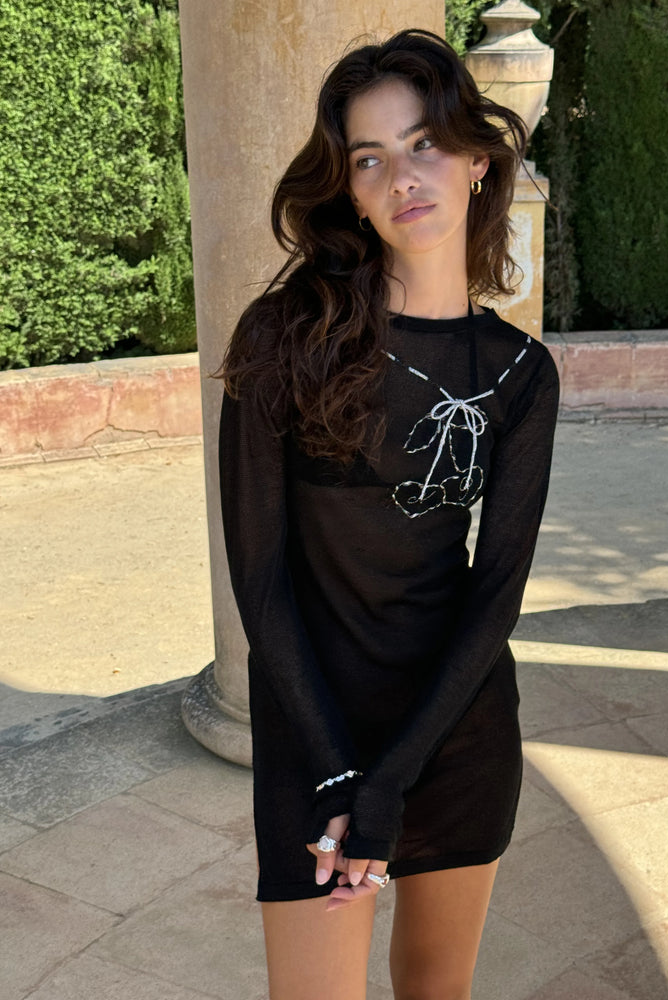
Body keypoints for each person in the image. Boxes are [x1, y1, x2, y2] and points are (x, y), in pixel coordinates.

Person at [218, 28, 559, 1000]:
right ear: (350, 191)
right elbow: (260, 578)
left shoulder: (519, 372)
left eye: (424, 143)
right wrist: (339, 772)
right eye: (369, 158)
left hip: (454, 731)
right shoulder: (284, 339)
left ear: (475, 160)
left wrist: (395, 775)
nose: (402, 176)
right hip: (313, 730)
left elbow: (494, 595)